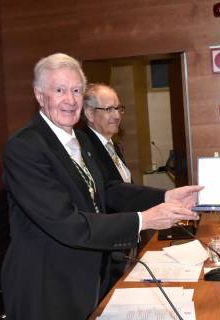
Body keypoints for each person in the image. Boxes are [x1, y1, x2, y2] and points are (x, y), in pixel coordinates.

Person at [1, 53, 201, 320]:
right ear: (39, 95)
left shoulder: (80, 139)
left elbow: (107, 190)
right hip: (48, 288)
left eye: (76, 91)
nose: (70, 100)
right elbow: (67, 224)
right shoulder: (25, 148)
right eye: (59, 90)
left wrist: (166, 195)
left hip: (90, 276)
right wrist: (143, 220)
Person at [78, 82, 153, 291]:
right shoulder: (85, 147)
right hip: (105, 248)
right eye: (109, 109)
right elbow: (111, 194)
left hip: (123, 241)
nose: (117, 115)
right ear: (90, 114)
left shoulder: (112, 144)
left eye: (119, 108)